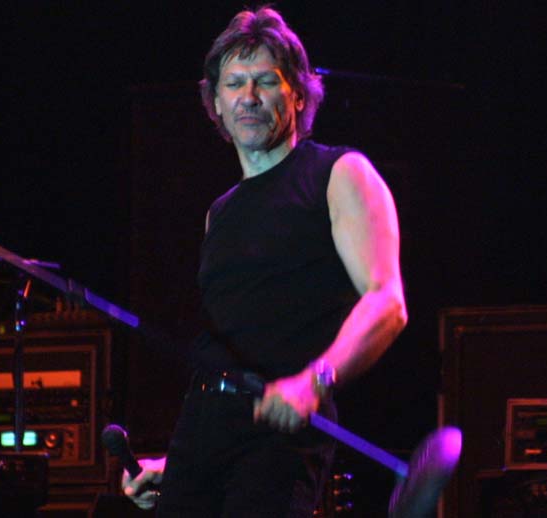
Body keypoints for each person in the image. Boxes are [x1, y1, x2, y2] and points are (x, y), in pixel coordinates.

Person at [123, 6, 407, 517]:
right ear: (216, 103)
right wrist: (179, 464)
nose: (248, 97)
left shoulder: (339, 173)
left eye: (265, 81)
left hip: (281, 431)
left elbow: (387, 301)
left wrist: (314, 381)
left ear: (297, 94)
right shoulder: (219, 213)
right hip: (202, 427)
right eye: (234, 84)